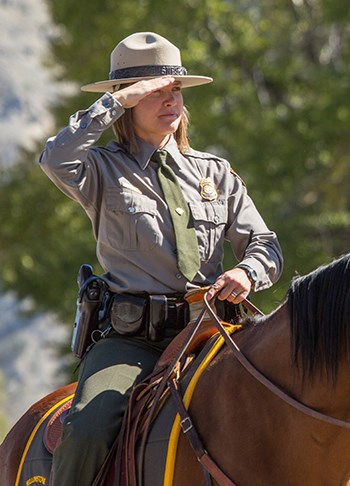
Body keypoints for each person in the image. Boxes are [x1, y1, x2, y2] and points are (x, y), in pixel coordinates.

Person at [40, 32, 283, 485]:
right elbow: (55, 158)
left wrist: (247, 271)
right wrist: (115, 101)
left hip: (217, 332)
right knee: (88, 432)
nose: (171, 100)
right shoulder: (101, 170)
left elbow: (265, 244)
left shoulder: (215, 172)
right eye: (155, 92)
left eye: (175, 90)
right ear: (127, 100)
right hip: (133, 342)